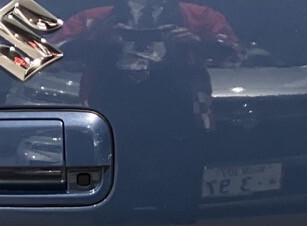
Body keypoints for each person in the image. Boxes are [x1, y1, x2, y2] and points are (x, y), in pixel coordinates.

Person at [58, 2, 240, 214]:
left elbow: (234, 54)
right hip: (113, 100)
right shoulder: (94, 18)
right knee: (114, 165)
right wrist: (95, 40)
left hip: (177, 101)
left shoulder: (199, 16)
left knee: (180, 171)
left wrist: (196, 42)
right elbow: (54, 52)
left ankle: (179, 217)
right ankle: (113, 214)